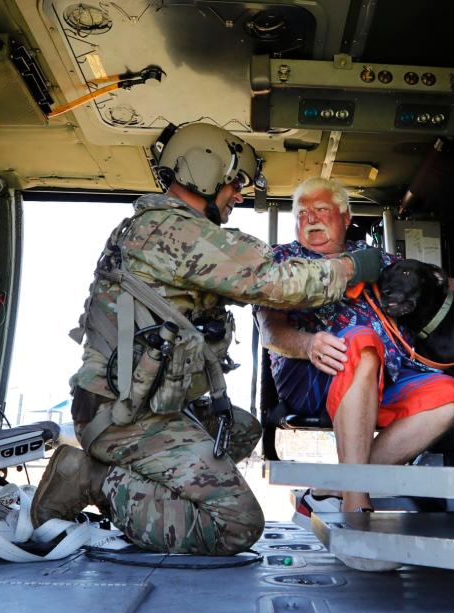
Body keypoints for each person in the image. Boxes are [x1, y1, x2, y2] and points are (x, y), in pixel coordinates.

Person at [30, 123, 383, 556]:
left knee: (240, 430)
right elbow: (274, 280)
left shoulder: (176, 229)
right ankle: (94, 478)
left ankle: (136, 480)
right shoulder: (174, 233)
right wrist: (353, 267)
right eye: (234, 182)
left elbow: (252, 262)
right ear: (205, 170)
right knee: (237, 525)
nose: (238, 194)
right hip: (124, 416)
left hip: (146, 403)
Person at [257, 177, 454, 517]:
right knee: (361, 340)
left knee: (450, 395)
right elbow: (269, 330)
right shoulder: (281, 259)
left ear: (346, 217)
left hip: (387, 375)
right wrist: (308, 343)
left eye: (321, 210)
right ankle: (357, 504)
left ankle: (330, 487)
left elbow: (428, 277)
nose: (310, 218)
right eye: (302, 213)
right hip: (314, 372)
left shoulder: (372, 259)